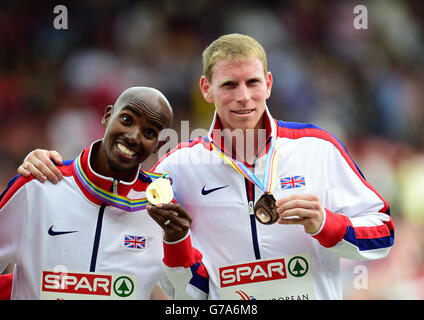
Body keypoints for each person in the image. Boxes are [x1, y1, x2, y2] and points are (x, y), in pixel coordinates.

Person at [17, 34, 395, 300]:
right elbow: (111, 198)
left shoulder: (318, 148)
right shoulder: (178, 167)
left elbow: (384, 233)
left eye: (252, 82)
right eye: (229, 85)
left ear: (269, 84)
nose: (243, 97)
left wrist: (325, 224)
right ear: (206, 89)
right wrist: (54, 168)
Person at [0, 86, 204, 299]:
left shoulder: (162, 209)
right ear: (108, 116)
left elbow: (185, 296)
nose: (134, 136)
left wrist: (177, 244)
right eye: (126, 119)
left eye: (149, 132)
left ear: (158, 145)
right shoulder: (39, 183)